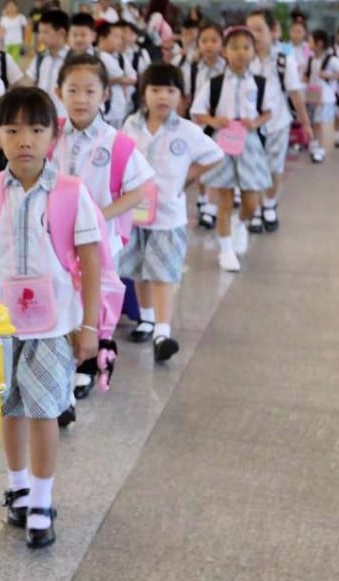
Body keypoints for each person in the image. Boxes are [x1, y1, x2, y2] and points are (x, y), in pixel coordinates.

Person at [0, 87, 102, 549]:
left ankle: (43, 498)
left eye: (36, 129)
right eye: (13, 129)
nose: (25, 139)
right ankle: (19, 485)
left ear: (53, 136)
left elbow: (90, 257)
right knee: (10, 408)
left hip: (54, 324)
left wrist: (89, 326)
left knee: (44, 411)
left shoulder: (70, 193)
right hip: (1, 325)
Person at [54, 53, 154, 394]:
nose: (81, 99)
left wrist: (98, 216)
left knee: (90, 298)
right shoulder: (49, 135)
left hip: (99, 241)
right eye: (73, 90)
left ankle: (85, 363)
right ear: (59, 92)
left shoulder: (118, 143)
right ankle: (62, 359)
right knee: (60, 295)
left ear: (105, 95)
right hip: (54, 237)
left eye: (90, 91)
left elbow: (139, 191)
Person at [120, 63, 223, 362]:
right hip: (136, 211)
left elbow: (215, 155)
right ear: (144, 93)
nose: (162, 96)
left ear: (182, 96)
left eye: (170, 90)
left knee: (163, 272)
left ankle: (162, 332)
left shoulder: (188, 131)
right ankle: (146, 318)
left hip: (168, 215)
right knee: (140, 268)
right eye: (155, 90)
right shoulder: (131, 124)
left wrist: (188, 177)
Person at [191, 26, 272, 273]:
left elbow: (269, 111)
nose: (240, 53)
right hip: (222, 143)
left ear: (253, 51)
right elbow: (197, 111)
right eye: (234, 47)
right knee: (224, 198)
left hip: (249, 143)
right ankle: (226, 250)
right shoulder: (214, 84)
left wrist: (255, 122)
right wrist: (214, 121)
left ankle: (241, 223)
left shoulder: (260, 83)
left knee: (252, 199)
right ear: (225, 52)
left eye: (246, 47)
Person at [247, 9, 310, 235]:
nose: (253, 35)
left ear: (273, 31)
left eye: (258, 29)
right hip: (250, 127)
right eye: (249, 30)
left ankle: (270, 203)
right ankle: (254, 210)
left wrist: (306, 123)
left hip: (277, 125)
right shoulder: (243, 59)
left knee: (273, 168)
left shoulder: (284, 61)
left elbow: (295, 94)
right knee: (252, 170)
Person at [182, 22, 225, 229]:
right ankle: (202, 197)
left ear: (221, 44)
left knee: (214, 163)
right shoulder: (191, 68)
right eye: (204, 41)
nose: (209, 45)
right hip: (197, 123)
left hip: (219, 125)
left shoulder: (226, 68)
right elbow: (186, 95)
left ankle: (210, 206)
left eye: (214, 40)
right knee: (199, 163)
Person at [304, 29, 339, 164]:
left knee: (318, 122)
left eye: (310, 40)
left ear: (319, 43)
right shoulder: (310, 59)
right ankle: (315, 143)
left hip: (325, 96)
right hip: (312, 93)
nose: (308, 43)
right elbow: (307, 75)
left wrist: (330, 75)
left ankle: (320, 150)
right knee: (313, 121)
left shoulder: (331, 60)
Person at [22, 9, 70, 116]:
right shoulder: (40, 58)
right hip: (42, 117)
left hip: (65, 118)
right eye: (40, 32)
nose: (40, 37)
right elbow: (29, 82)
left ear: (62, 33)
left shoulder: (73, 60)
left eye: (45, 32)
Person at [94, 21, 135, 129]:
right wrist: (118, 80)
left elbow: (132, 78)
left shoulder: (120, 57)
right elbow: (122, 77)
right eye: (116, 37)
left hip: (119, 107)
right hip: (106, 108)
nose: (119, 41)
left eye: (120, 37)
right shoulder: (101, 56)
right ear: (102, 38)